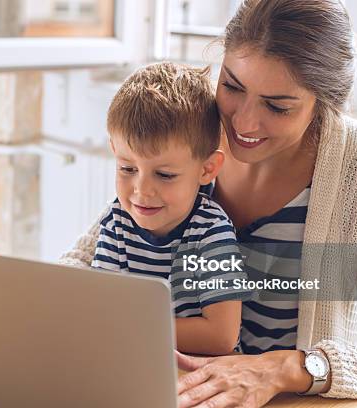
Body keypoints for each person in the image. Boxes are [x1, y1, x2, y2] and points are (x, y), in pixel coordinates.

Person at [59, 0, 357, 406]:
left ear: (324, 102)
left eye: (277, 106)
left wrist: (292, 368)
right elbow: (84, 260)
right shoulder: (193, 132)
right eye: (232, 87)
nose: (243, 124)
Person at [92, 62, 250, 356]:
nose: (142, 190)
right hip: (137, 364)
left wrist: (132, 328)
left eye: (164, 175)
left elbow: (221, 336)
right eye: (127, 168)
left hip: (204, 376)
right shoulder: (116, 224)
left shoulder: (211, 232)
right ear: (114, 151)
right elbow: (101, 312)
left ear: (207, 169)